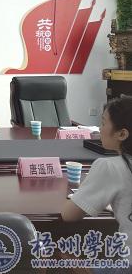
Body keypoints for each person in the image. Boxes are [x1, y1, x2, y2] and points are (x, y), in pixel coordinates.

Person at [61, 96, 132, 271]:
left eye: (103, 122)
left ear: (122, 134)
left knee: (58, 256)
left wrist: (82, 191)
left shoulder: (109, 166)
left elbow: (69, 214)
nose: (99, 128)